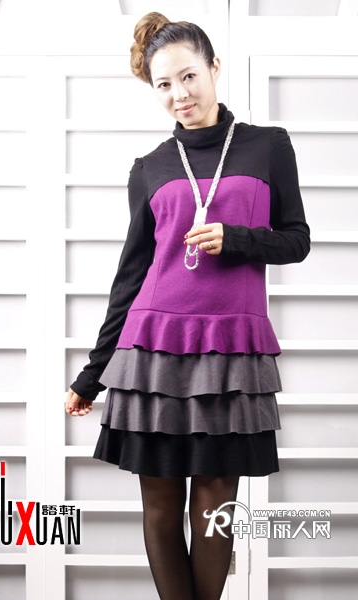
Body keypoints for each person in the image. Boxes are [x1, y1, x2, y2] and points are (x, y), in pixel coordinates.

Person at [65, 11, 310, 600]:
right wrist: (92, 375)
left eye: (189, 77)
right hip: (153, 351)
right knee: (159, 502)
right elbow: (131, 276)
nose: (180, 94)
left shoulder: (267, 146)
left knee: (215, 501)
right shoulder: (149, 168)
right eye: (164, 85)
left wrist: (238, 238)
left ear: (214, 68)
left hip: (230, 349)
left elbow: (297, 241)